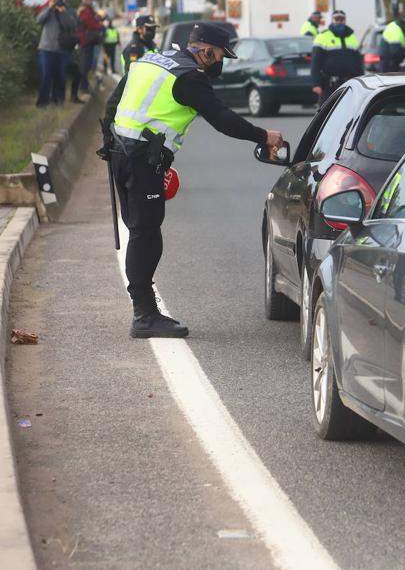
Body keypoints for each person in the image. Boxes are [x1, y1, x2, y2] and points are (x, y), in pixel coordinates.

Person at [98, 22, 284, 339]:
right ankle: (144, 315)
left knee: (139, 230)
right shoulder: (189, 78)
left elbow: (112, 105)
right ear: (208, 51)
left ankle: (145, 311)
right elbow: (222, 119)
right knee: (146, 234)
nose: (221, 63)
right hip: (142, 159)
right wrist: (263, 135)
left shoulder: (150, 60)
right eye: (222, 56)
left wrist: (109, 143)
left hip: (121, 152)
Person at [35, 0, 79, 107]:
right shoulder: (47, 11)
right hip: (46, 48)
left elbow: (73, 25)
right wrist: (50, 8)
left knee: (60, 76)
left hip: (62, 49)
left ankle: (58, 100)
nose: (59, 2)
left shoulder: (69, 11)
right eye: (57, 0)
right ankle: (43, 102)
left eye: (61, 0)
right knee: (46, 75)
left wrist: (63, 12)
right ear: (52, 0)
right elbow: (39, 20)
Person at [311, 9, 362, 107]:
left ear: (345, 20)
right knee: (325, 114)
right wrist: (316, 84)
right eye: (336, 19)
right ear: (332, 20)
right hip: (329, 85)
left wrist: (361, 82)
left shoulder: (352, 37)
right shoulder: (322, 36)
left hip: (349, 84)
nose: (339, 21)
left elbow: (358, 63)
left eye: (341, 19)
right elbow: (315, 63)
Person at [78, 0, 104, 93]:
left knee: (88, 65)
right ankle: (84, 86)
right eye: (91, 0)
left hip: (89, 42)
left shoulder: (89, 11)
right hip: (85, 42)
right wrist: (100, 26)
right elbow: (91, 24)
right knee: (85, 65)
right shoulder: (84, 11)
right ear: (87, 1)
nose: (92, 2)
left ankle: (85, 85)